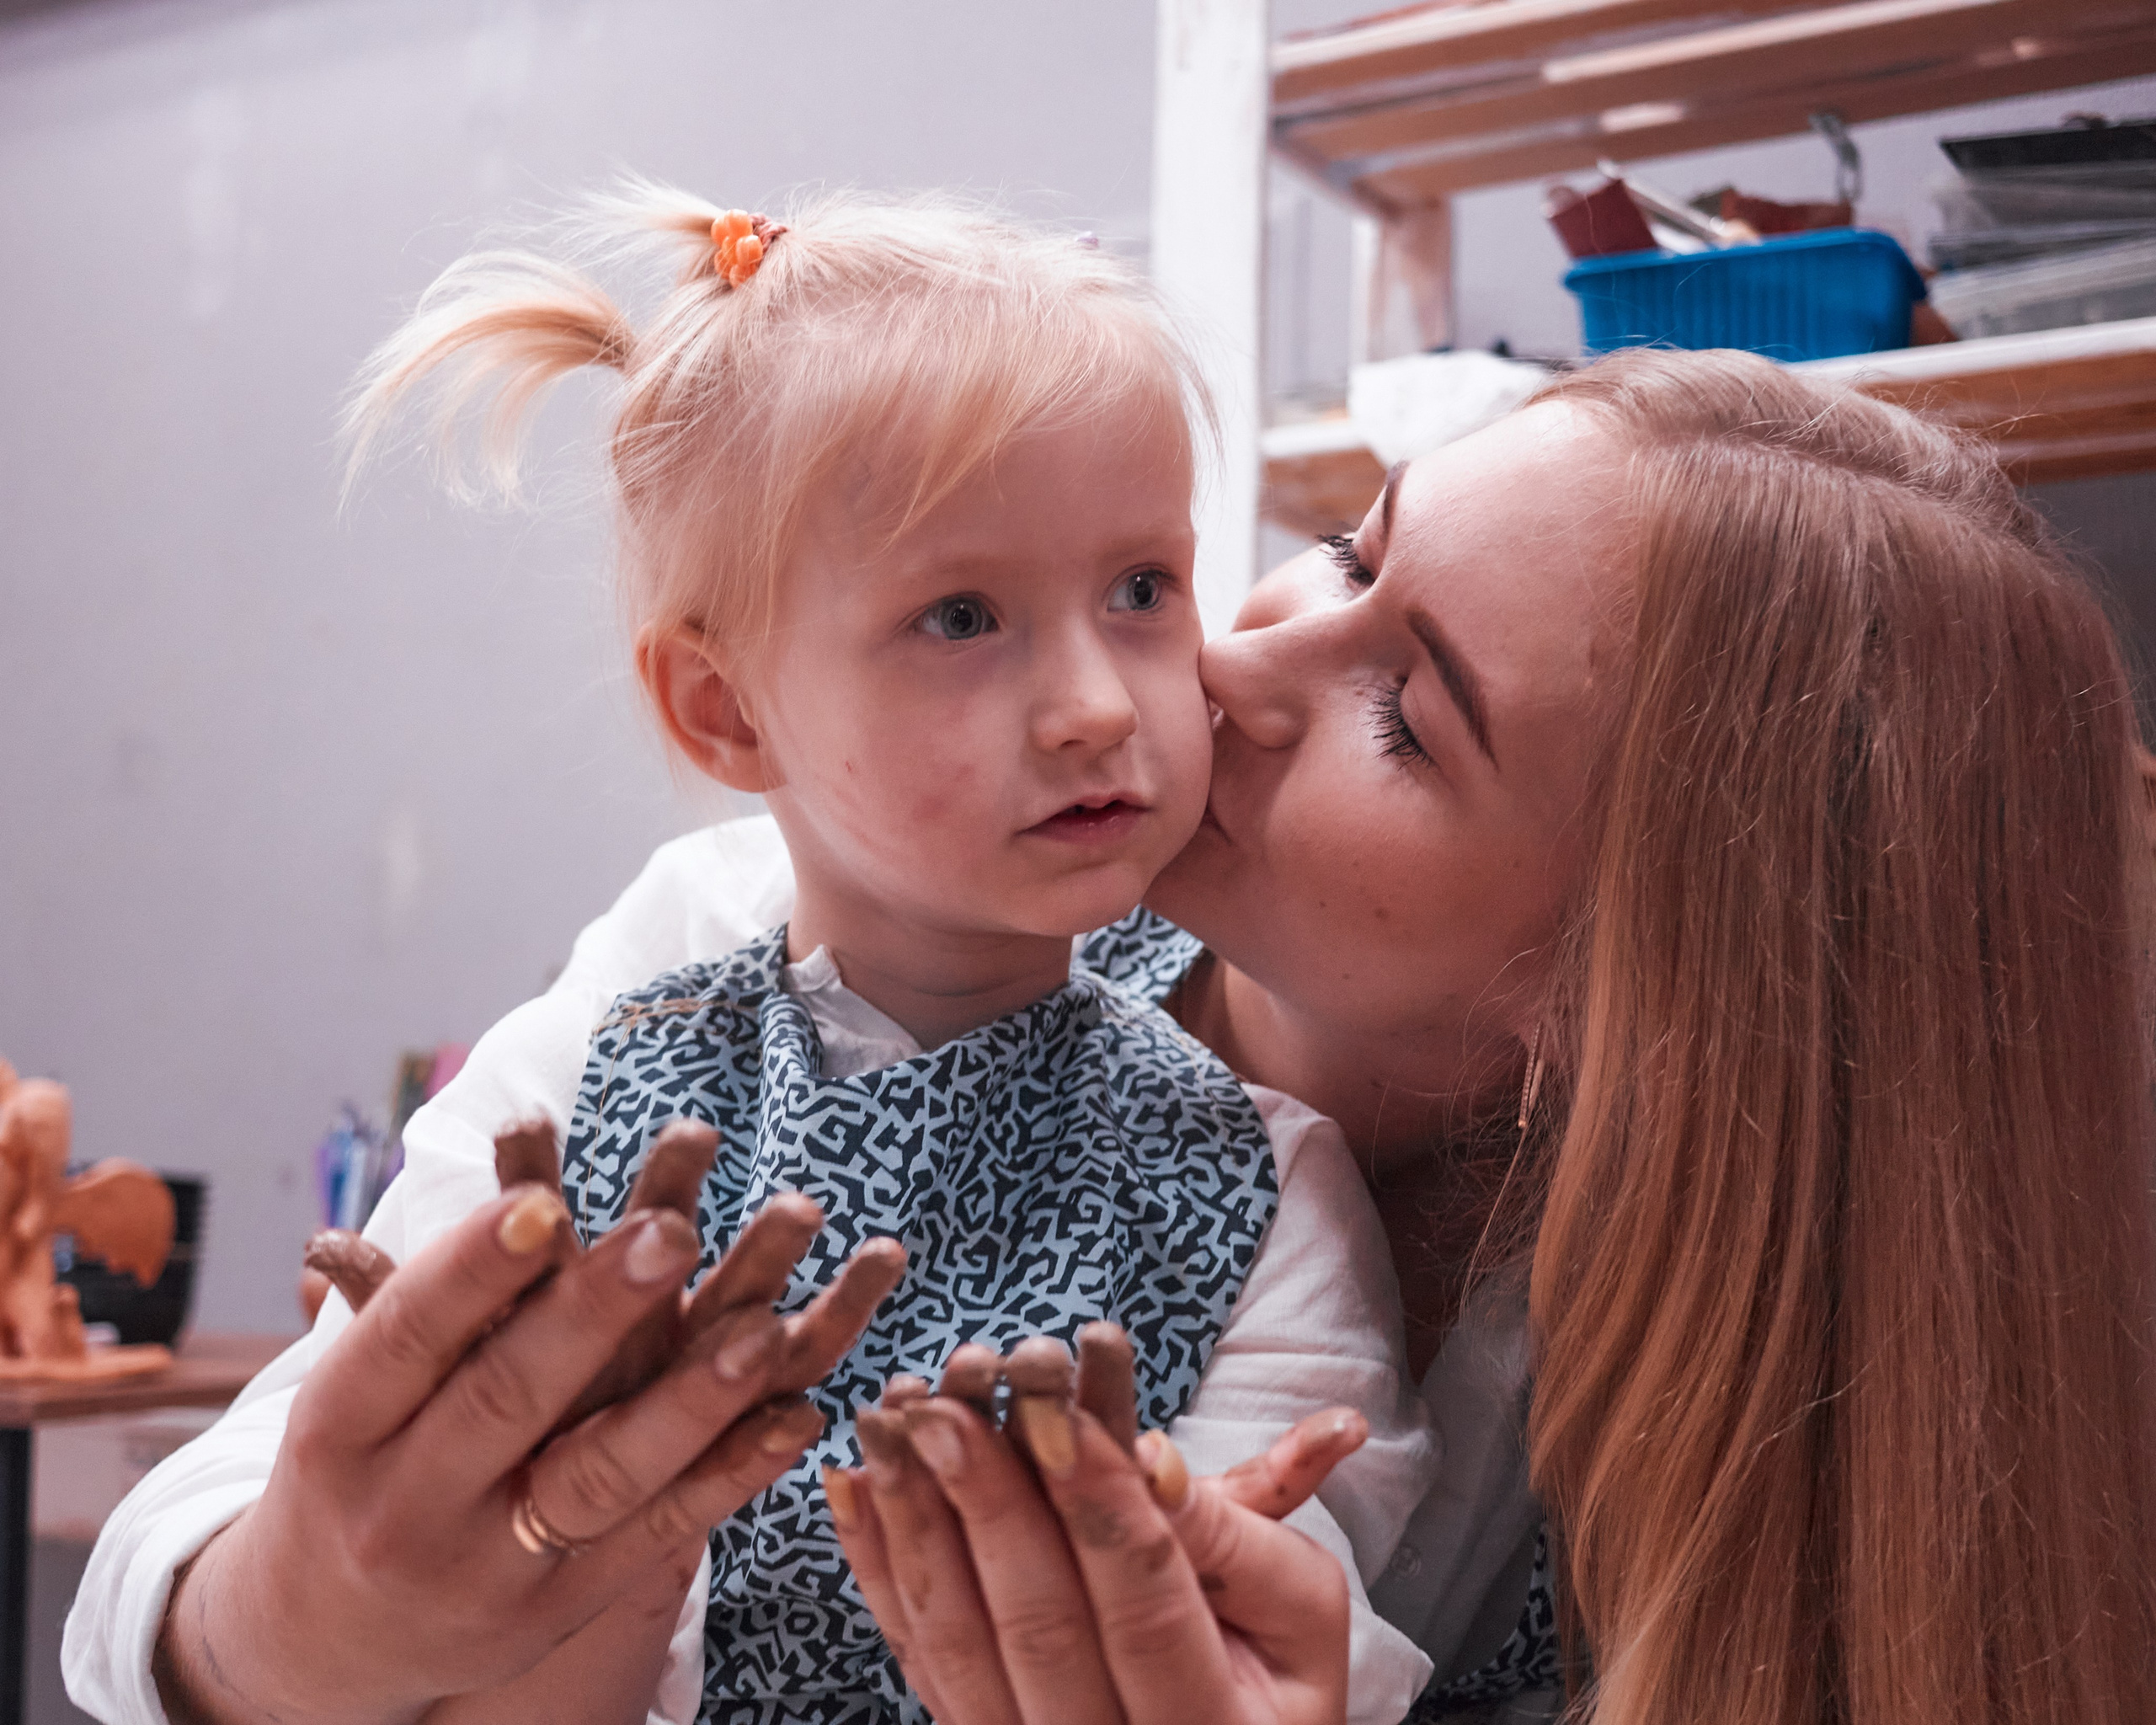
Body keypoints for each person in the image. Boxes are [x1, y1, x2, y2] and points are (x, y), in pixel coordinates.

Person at [67, 186, 1440, 1725]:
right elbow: (246, 1550)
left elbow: (1305, 1625)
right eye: (963, 615)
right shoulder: (581, 1088)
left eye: (1142, 588)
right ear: (725, 714)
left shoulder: (1257, 1185)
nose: (1098, 704)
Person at [824, 350, 2156, 1725]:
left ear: (1644, 998)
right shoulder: (850, 961)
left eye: (1408, 720)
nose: (1236, 663)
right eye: (1349, 556)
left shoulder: (1685, 1476)